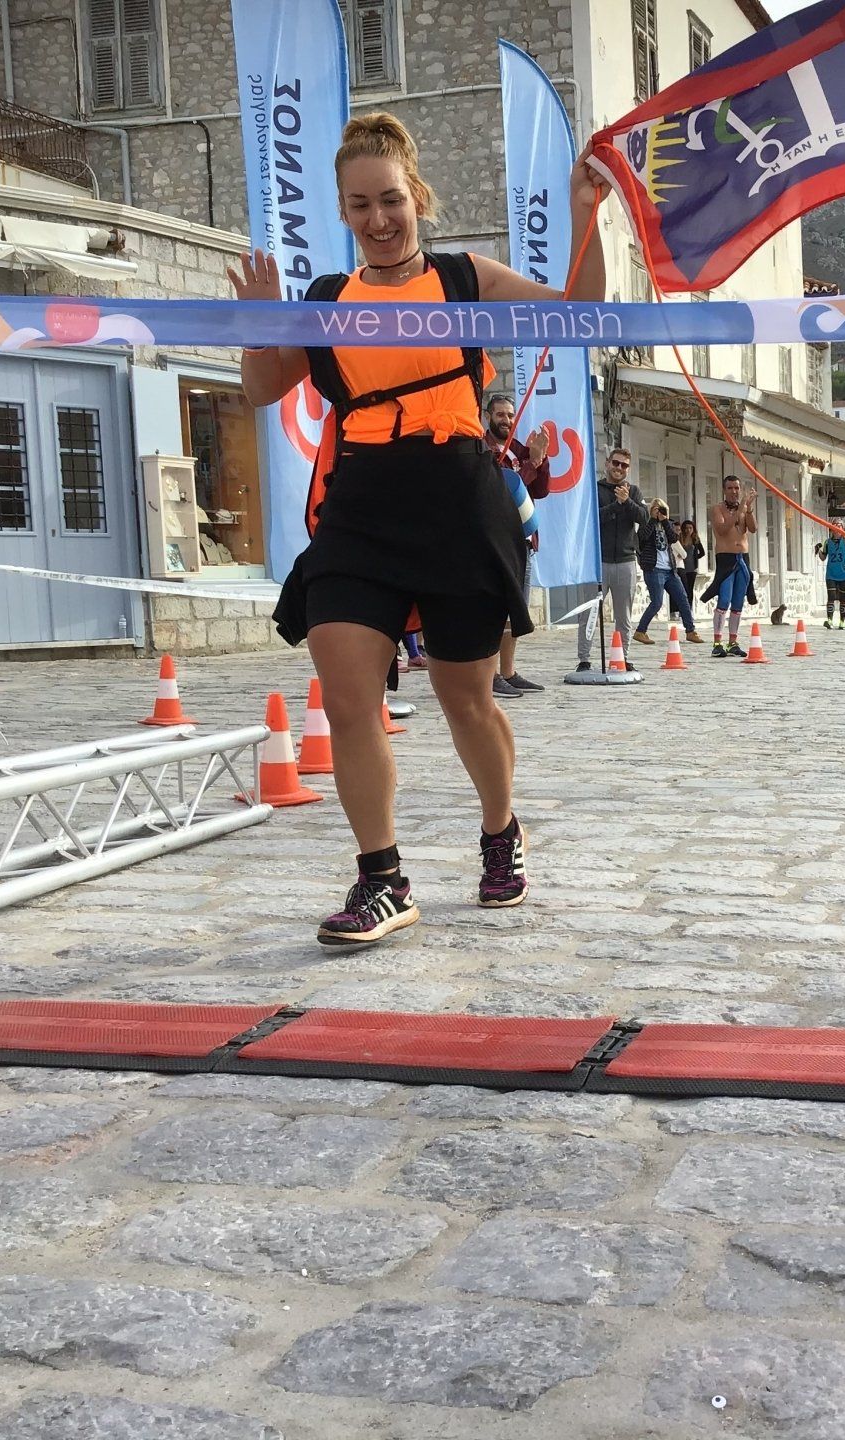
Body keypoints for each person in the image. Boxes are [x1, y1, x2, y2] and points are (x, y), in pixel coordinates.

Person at [234, 112, 605, 944]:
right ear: (342, 210)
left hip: (456, 499)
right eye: (359, 204)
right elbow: (260, 390)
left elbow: (581, 312)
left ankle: (501, 830)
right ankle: (383, 880)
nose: (378, 219)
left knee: (465, 699)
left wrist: (587, 211)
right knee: (347, 695)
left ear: (418, 197)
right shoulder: (326, 300)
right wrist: (261, 324)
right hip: (360, 504)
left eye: (391, 200)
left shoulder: (464, 277)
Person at [481, 391, 550, 696]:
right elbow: (502, 488)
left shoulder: (519, 448)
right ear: (488, 416)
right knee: (495, 610)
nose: (506, 420)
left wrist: (541, 460)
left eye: (510, 415)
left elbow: (541, 490)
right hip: (496, 542)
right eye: (500, 414)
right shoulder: (482, 449)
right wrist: (532, 463)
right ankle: (490, 674)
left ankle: (508, 672)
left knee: (515, 611)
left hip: (523, 539)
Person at [576, 447, 643, 671]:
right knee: (589, 612)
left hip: (626, 560)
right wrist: (617, 505)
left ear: (628, 469)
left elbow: (644, 518)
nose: (619, 468)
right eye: (616, 463)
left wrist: (628, 502)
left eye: (624, 465)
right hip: (599, 561)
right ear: (607, 464)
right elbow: (592, 518)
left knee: (624, 615)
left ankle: (622, 656)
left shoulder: (633, 491)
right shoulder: (595, 489)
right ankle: (584, 659)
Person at [633, 498, 699, 644]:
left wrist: (665, 521)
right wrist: (652, 520)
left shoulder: (667, 525)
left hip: (670, 570)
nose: (659, 512)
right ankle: (640, 631)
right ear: (651, 510)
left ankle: (690, 631)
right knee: (657, 602)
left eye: (661, 509)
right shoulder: (646, 524)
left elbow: (674, 539)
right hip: (654, 569)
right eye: (656, 509)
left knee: (683, 599)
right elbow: (642, 538)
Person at [705, 474, 757, 656]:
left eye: (737, 488)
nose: (734, 492)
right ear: (724, 490)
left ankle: (732, 642)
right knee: (724, 599)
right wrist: (740, 509)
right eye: (730, 488)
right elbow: (722, 529)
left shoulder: (743, 509)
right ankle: (717, 643)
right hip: (726, 558)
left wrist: (748, 510)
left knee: (738, 601)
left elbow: (753, 528)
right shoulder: (717, 509)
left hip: (742, 557)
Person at [820, 530, 845, 628]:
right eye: (834, 526)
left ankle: (842, 623)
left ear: (842, 529)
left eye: (839, 526)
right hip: (831, 574)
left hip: (844, 575)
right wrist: (818, 551)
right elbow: (823, 557)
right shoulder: (827, 542)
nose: (836, 529)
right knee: (831, 597)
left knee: (843, 599)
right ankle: (830, 621)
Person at [674, 519, 706, 620]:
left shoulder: (695, 539)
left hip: (692, 569)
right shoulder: (680, 538)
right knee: (682, 589)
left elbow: (702, 552)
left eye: (690, 528)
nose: (688, 530)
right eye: (686, 528)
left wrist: (695, 557)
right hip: (681, 568)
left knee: (689, 590)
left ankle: (689, 610)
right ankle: (680, 610)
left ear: (693, 529)